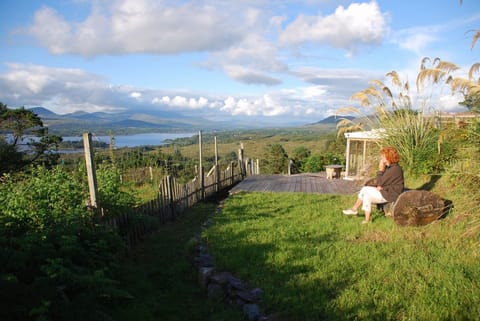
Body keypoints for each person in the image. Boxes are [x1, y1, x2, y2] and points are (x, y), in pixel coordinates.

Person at [342, 146, 404, 224]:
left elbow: (380, 182)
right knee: (367, 195)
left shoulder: (394, 169)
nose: (381, 158)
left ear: (388, 157)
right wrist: (383, 187)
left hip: (391, 195)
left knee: (366, 189)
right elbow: (388, 182)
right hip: (387, 191)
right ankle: (367, 220)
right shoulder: (391, 168)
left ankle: (354, 209)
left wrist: (381, 170)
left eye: (383, 156)